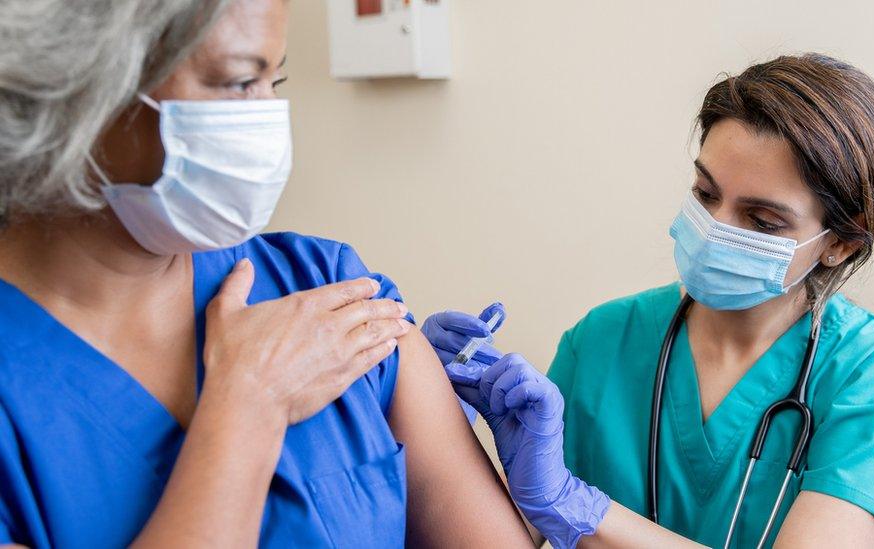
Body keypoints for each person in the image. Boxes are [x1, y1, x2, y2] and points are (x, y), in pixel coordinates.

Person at [0, 1, 534, 547]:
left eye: (273, 79)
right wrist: (247, 404)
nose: (269, 118)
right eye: (238, 83)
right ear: (76, 84)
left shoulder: (326, 286)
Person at [423, 54, 874, 548]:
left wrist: (572, 505)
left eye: (762, 222)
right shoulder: (602, 340)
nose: (715, 230)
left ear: (839, 243)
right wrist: (432, 417)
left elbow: (555, 504)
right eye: (705, 193)